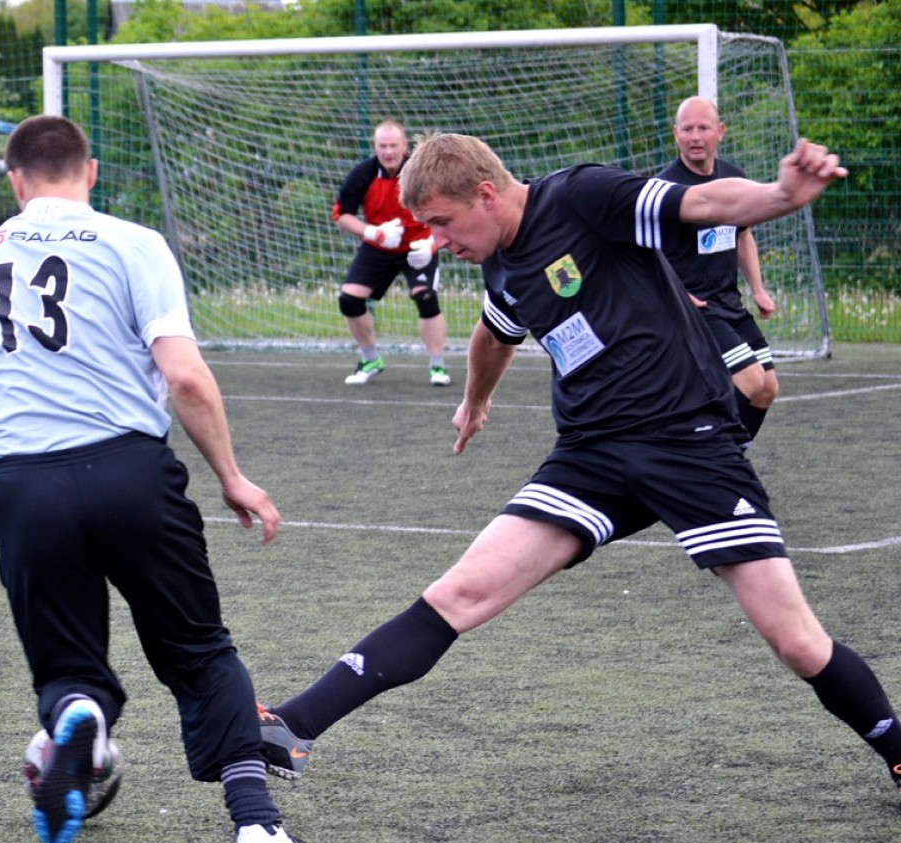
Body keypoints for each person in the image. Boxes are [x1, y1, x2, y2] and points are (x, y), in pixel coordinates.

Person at [257, 132, 901, 807]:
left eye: (443, 222)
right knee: (460, 592)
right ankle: (293, 724)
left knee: (795, 640)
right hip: (591, 455)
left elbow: (706, 202)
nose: (438, 242)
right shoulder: (500, 262)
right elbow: (493, 335)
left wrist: (780, 194)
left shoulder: (582, 198)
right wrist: (475, 401)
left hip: (688, 444)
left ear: (485, 193)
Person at [0, 114, 313, 843]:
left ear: (15, 180)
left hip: (23, 488)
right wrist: (231, 475)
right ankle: (256, 828)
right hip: (129, 475)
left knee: (68, 665)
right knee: (198, 649)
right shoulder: (133, 244)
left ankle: (81, 715)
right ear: (92, 172)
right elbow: (184, 376)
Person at [657, 96, 779, 441]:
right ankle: (709, 458)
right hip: (695, 310)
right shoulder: (666, 189)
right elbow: (646, 253)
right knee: (750, 381)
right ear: (675, 134)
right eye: (687, 129)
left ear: (720, 132)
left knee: (767, 388)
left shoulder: (733, 179)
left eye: (703, 128)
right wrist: (676, 293)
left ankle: (727, 458)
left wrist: (758, 289)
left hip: (729, 303)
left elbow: (743, 234)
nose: (695, 137)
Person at [332, 118, 451, 387]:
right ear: (374, 146)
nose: (388, 152)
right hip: (379, 247)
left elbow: (448, 211)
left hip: (418, 246)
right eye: (382, 146)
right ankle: (370, 359)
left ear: (404, 146)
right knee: (349, 299)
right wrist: (373, 232)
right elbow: (341, 215)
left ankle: (437, 366)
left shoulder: (422, 172)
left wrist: (433, 244)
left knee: (426, 297)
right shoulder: (363, 174)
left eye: (393, 146)